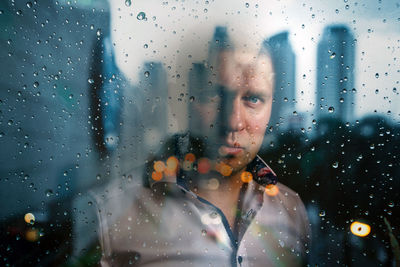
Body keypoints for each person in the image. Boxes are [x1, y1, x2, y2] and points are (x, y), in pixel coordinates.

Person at [92, 26, 310, 267]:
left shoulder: (291, 210)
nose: (233, 121)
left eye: (253, 99)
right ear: (186, 104)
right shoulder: (117, 211)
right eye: (213, 97)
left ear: (271, 107)